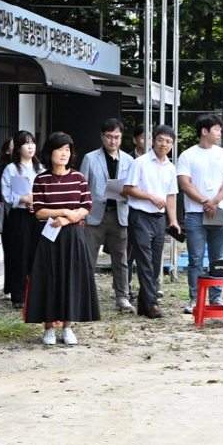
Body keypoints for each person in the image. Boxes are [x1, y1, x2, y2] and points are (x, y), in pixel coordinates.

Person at [24, 131, 101, 345]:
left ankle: (68, 327)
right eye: (60, 149)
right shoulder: (41, 179)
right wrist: (64, 211)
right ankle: (49, 327)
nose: (64, 153)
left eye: (68, 150)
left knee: (71, 279)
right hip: (49, 237)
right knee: (48, 279)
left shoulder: (78, 177)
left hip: (73, 235)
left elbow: (86, 206)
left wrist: (68, 218)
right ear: (50, 152)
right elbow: (38, 210)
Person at [121, 124, 180, 318]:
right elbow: (128, 188)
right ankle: (152, 304)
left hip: (159, 219)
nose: (164, 144)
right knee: (144, 260)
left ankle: (144, 304)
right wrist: (150, 197)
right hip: (140, 215)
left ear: (173, 144)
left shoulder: (171, 167)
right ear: (153, 141)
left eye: (168, 141)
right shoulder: (140, 163)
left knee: (155, 262)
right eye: (161, 140)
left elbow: (170, 196)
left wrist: (173, 221)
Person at [176, 114, 223, 313]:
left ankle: (216, 297)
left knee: (218, 257)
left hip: (219, 211)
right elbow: (184, 184)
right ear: (204, 131)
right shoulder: (187, 155)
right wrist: (205, 202)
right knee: (196, 258)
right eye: (217, 129)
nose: (220, 133)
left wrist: (215, 202)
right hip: (194, 214)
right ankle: (195, 298)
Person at [79, 118, 134, 311]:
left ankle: (122, 296)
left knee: (121, 259)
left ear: (122, 137)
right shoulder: (90, 158)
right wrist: (82, 215)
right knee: (88, 258)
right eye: (109, 137)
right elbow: (82, 188)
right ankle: (85, 296)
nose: (113, 141)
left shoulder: (129, 160)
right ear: (102, 136)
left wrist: (128, 193)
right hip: (95, 214)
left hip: (119, 213)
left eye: (117, 137)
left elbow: (134, 187)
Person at [0, 130, 41, 305]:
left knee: (36, 253)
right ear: (18, 147)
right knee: (19, 255)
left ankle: (34, 293)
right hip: (18, 216)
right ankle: (18, 295)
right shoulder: (11, 169)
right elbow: (5, 194)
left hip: (37, 214)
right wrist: (23, 199)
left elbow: (46, 191)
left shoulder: (41, 168)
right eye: (26, 143)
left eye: (32, 143)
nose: (30, 147)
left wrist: (36, 202)